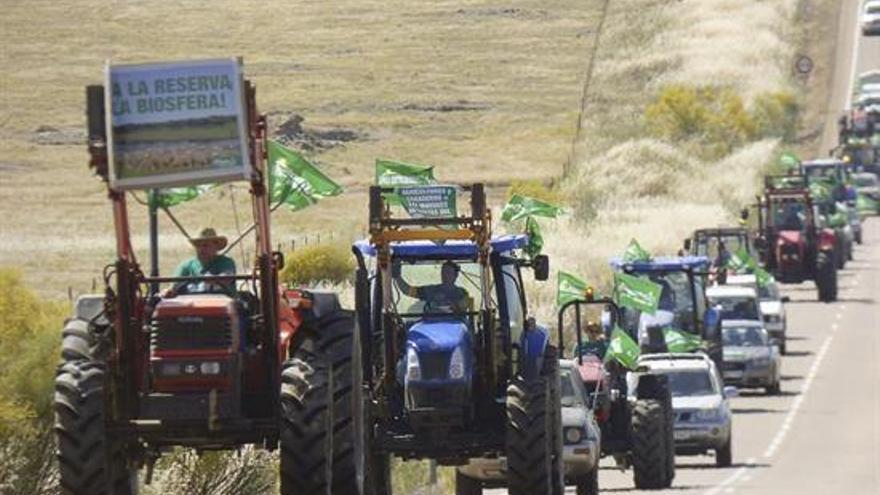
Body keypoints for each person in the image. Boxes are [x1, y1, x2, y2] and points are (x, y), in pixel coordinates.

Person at [165, 228, 236, 296]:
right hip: (191, 304)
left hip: (221, 303)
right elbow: (173, 287)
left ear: (216, 246)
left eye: (206, 245)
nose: (201, 249)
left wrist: (214, 279)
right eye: (198, 245)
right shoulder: (186, 266)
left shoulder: (226, 262)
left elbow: (227, 278)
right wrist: (169, 292)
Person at [393, 260, 470, 313]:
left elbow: (461, 307)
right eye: (443, 272)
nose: (445, 275)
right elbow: (407, 290)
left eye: (448, 272)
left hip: (455, 324)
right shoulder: (431, 290)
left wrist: (450, 307)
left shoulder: (461, 293)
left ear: (455, 275)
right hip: (429, 324)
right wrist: (397, 276)